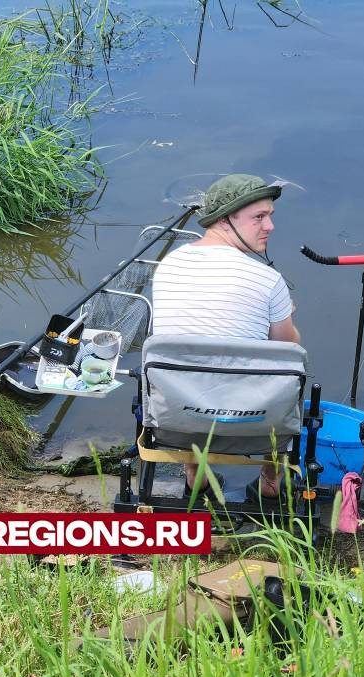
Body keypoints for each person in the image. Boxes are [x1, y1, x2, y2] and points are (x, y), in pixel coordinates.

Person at [151, 174, 302, 498]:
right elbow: (290, 349)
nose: (270, 227)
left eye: (270, 216)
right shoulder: (268, 279)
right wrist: (284, 311)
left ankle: (196, 475)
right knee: (289, 377)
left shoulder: (168, 266)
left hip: (176, 422)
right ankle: (270, 482)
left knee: (185, 368)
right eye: (258, 217)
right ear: (223, 220)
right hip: (256, 428)